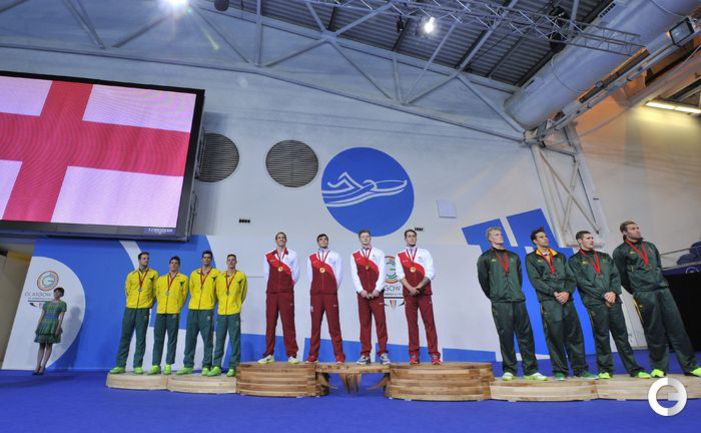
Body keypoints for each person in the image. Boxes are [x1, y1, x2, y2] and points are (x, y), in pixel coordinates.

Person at [613, 221, 701, 378]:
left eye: (637, 227)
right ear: (625, 233)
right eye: (633, 228)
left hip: (663, 290)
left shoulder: (650, 246)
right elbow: (622, 276)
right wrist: (637, 290)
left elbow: (659, 267)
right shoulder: (620, 251)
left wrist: (659, 282)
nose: (637, 230)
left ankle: (690, 366)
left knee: (677, 328)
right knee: (654, 330)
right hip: (644, 294)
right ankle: (659, 367)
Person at [567, 230, 650, 379]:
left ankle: (634, 369)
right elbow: (582, 282)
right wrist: (603, 295)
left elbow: (615, 276)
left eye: (592, 238)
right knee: (601, 337)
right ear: (580, 241)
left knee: (622, 336)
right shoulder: (574, 260)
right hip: (595, 303)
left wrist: (613, 292)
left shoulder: (604, 257)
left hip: (613, 301)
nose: (591, 240)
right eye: (588, 238)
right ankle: (605, 370)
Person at [477, 227, 547, 381]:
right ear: (490, 238)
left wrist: (515, 292)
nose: (500, 236)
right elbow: (483, 281)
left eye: (500, 234)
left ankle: (531, 370)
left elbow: (519, 278)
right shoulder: (485, 258)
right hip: (500, 303)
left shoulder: (514, 256)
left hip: (518, 300)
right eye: (496, 235)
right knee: (506, 336)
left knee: (526, 336)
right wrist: (496, 295)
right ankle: (509, 370)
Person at [525, 228, 595, 381]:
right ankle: (560, 370)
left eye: (546, 236)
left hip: (567, 300)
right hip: (549, 302)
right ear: (535, 241)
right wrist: (553, 293)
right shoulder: (531, 258)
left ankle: (581, 370)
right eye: (541, 237)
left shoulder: (559, 256)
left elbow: (571, 277)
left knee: (575, 335)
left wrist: (567, 292)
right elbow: (535, 280)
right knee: (554, 337)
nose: (545, 238)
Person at [396, 229, 440, 365]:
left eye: (413, 236)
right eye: (409, 236)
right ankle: (414, 354)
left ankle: (434, 354)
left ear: (416, 238)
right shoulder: (399, 255)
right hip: (409, 294)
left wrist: (419, 287)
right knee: (412, 325)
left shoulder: (424, 253)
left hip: (424, 293)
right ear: (405, 239)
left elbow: (431, 272)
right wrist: (410, 288)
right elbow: (399, 274)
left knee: (429, 323)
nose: (411, 238)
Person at [110, 252, 158, 374]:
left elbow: (155, 292)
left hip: (143, 309)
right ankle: (120, 365)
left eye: (147, 258)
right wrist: (131, 302)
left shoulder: (153, 274)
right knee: (125, 337)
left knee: (140, 338)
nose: (146, 260)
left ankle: (137, 365)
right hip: (130, 309)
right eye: (144, 258)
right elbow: (127, 290)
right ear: (139, 260)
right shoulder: (131, 275)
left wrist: (149, 304)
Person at [259, 232, 300, 364]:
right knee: (270, 323)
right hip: (272, 293)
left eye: (283, 238)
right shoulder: (268, 255)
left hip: (286, 293)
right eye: (279, 238)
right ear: (276, 240)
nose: (281, 239)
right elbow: (266, 274)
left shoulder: (292, 254)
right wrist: (273, 287)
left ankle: (292, 354)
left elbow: (296, 273)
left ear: (286, 240)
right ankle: (269, 354)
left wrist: (286, 286)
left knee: (288, 323)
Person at [350, 229, 390, 365]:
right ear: (359, 239)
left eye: (367, 236)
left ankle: (383, 353)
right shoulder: (354, 255)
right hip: (362, 295)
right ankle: (365, 354)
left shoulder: (379, 253)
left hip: (377, 294)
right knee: (364, 324)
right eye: (363, 237)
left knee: (381, 323)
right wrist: (360, 290)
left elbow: (383, 272)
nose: (365, 238)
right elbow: (354, 275)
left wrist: (377, 289)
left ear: (371, 238)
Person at [177, 250, 220, 375]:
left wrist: (210, 302)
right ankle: (188, 365)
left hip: (207, 309)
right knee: (190, 338)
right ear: (201, 259)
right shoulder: (194, 274)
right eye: (204, 257)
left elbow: (218, 292)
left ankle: (206, 365)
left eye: (208, 258)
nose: (206, 259)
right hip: (193, 309)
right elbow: (191, 290)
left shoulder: (216, 274)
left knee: (207, 339)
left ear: (211, 260)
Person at [306, 234, 345, 364]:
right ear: (317, 242)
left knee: (334, 326)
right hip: (316, 296)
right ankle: (313, 355)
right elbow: (310, 277)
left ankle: (339, 355)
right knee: (315, 326)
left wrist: (331, 289)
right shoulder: (311, 257)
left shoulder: (335, 256)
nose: (323, 241)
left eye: (325, 239)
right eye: (321, 239)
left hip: (330, 295)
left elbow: (339, 275)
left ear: (328, 241)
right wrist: (316, 289)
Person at [148, 256, 188, 375]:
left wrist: (176, 307)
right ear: (169, 265)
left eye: (176, 263)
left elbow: (184, 296)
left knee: (172, 339)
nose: (173, 265)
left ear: (179, 265)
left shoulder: (183, 279)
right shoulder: (161, 279)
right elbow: (157, 293)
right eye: (171, 263)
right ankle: (156, 364)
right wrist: (161, 305)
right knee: (158, 339)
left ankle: (168, 364)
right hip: (160, 312)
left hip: (173, 312)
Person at [209, 254, 247, 377]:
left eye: (233, 260)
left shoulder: (241, 276)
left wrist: (236, 304)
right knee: (219, 340)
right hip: (221, 313)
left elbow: (243, 294)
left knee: (235, 341)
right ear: (226, 262)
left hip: (233, 312)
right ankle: (216, 366)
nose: (231, 262)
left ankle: (233, 367)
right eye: (229, 260)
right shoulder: (220, 277)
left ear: (236, 262)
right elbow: (216, 293)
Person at [33, 287, 67, 375]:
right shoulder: (47, 303)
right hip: (44, 324)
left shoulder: (62, 304)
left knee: (49, 345)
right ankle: (37, 366)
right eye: (55, 292)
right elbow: (42, 315)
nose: (56, 293)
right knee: (41, 345)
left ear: (62, 294)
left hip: (53, 324)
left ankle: (43, 366)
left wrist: (58, 328)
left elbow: (61, 318)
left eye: (59, 292)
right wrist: (38, 326)